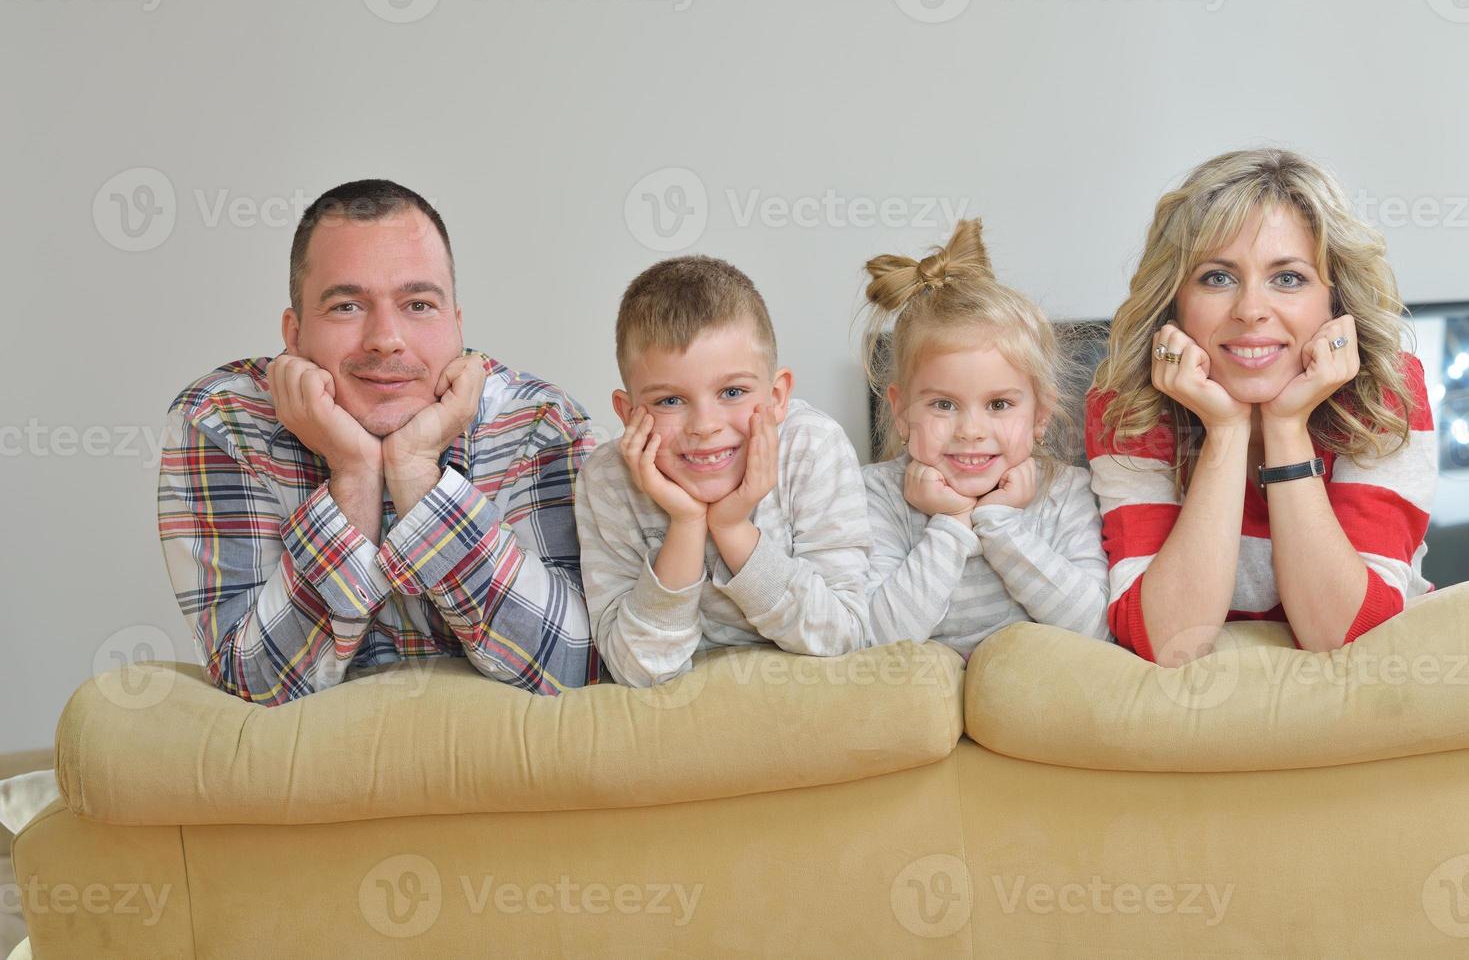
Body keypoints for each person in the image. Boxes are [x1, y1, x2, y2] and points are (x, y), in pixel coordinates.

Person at [157, 179, 602, 703]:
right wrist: (353, 475)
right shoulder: (222, 423)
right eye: (347, 306)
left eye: (418, 305)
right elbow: (255, 687)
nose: (385, 338)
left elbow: (578, 668)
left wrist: (416, 470)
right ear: (294, 334)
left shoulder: (539, 424)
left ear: (456, 326)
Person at [1087, 149, 1437, 666]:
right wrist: (1225, 431)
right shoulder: (1126, 407)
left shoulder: (1386, 391)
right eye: (1218, 277)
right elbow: (1168, 641)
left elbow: (1342, 633)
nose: (1251, 310)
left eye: (1288, 278)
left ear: (1334, 302)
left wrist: (1285, 425)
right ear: (1175, 302)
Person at [575, 255, 871, 687]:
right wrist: (687, 522)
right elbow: (638, 669)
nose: (705, 426)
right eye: (669, 401)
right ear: (626, 413)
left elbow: (844, 635)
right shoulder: (607, 480)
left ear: (776, 396)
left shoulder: (813, 449)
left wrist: (732, 529)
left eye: (732, 392)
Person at [859, 219, 1111, 656]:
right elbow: (876, 637)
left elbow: (1095, 628)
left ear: (1041, 415)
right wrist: (953, 523)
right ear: (900, 412)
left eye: (999, 405)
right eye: (943, 404)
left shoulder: (1066, 493)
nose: (972, 431)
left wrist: (999, 524)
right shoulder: (873, 495)